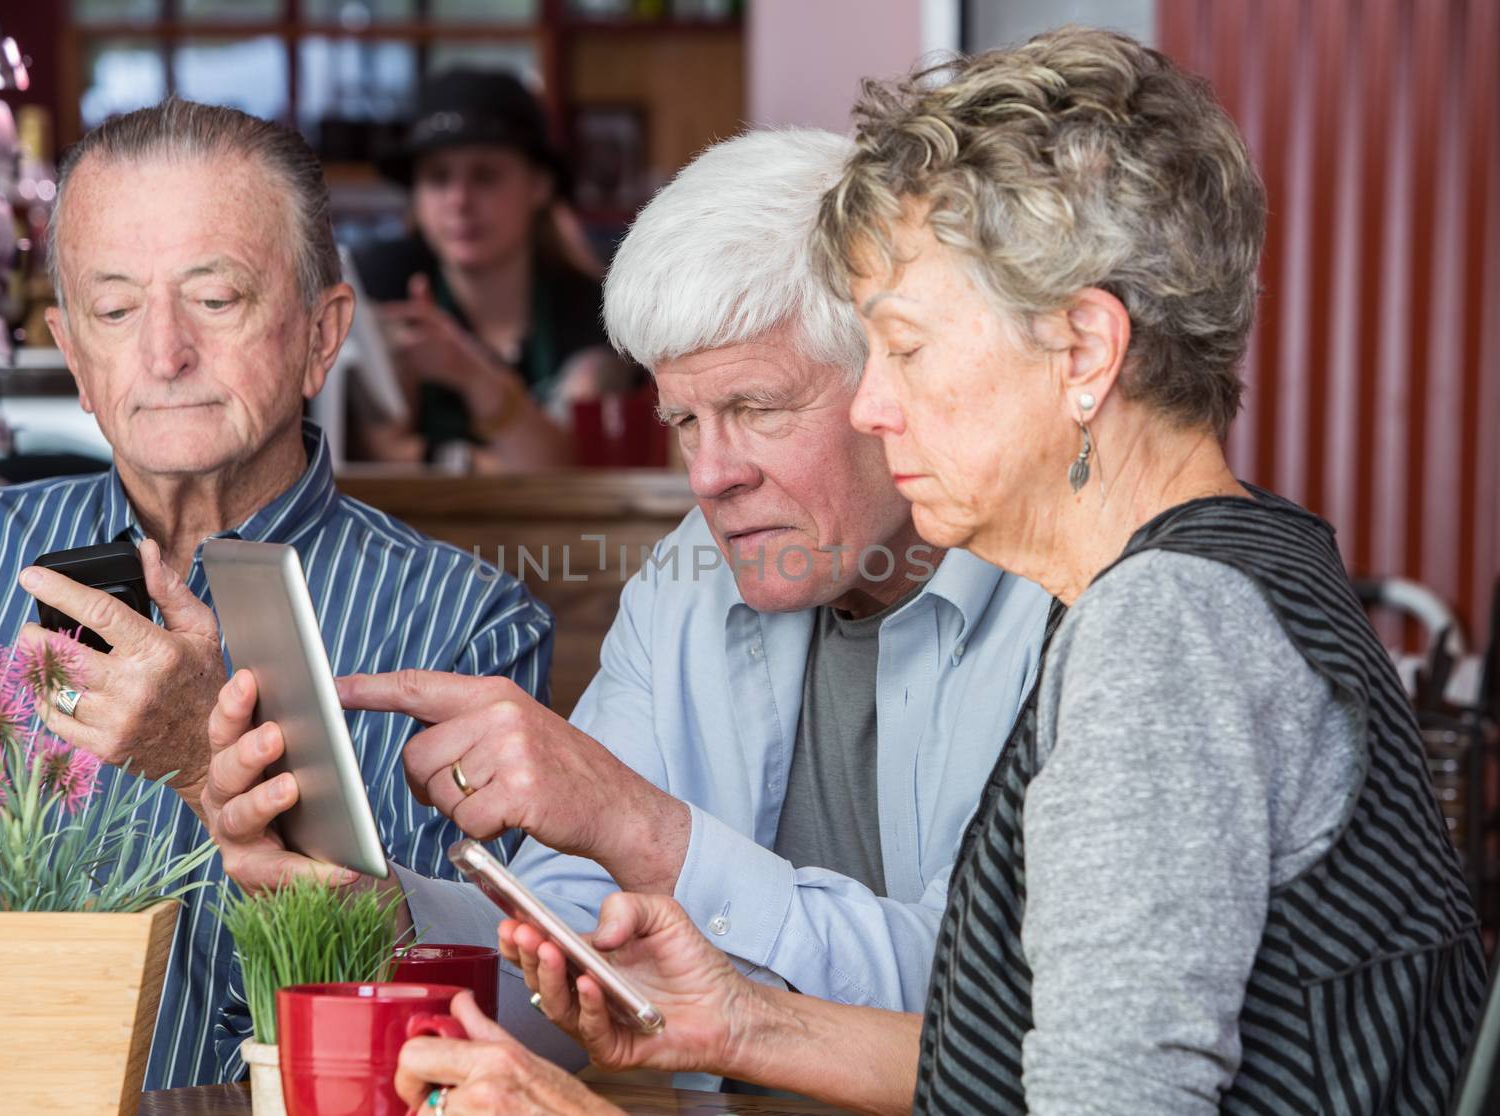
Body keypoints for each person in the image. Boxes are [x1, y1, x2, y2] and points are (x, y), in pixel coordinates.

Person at [388, 27, 1487, 1116]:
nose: (877, 403)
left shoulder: (1160, 627)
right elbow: (1008, 1057)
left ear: (1084, 353)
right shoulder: (1236, 566)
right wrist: (741, 1021)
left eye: (907, 348)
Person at [199, 128, 1052, 1058]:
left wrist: (647, 833)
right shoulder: (690, 577)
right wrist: (384, 907)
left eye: (758, 410)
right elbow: (574, 973)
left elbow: (999, 1004)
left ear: (896, 376)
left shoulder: (1066, 601)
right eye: (684, 420)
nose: (712, 476)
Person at [0, 98, 553, 1091]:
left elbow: (474, 1008)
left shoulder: (463, 622)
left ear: (321, 333)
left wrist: (213, 769)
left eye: (217, 299)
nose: (164, 355)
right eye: (115, 311)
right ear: (71, 351)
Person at [351, 69, 631, 470]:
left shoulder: (600, 316)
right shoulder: (379, 287)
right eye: (437, 177)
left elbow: (567, 472)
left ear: (539, 185)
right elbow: (381, 459)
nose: (459, 201)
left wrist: (467, 372)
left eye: (485, 176)